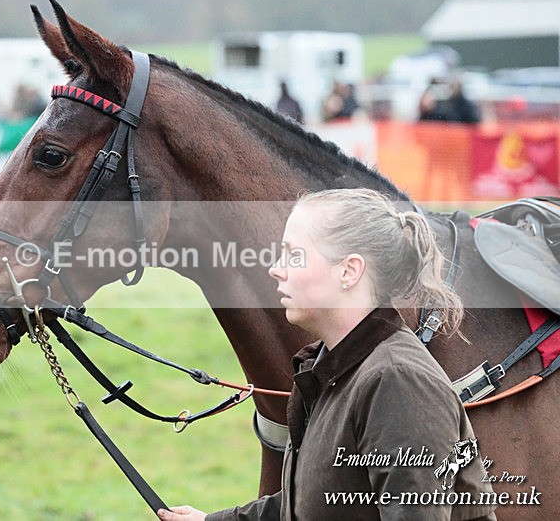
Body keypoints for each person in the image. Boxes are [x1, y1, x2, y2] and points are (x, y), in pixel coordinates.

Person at [158, 188, 496, 521]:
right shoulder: (332, 367)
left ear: (349, 271)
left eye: (294, 255)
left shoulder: (398, 382)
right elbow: (308, 503)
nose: (276, 269)